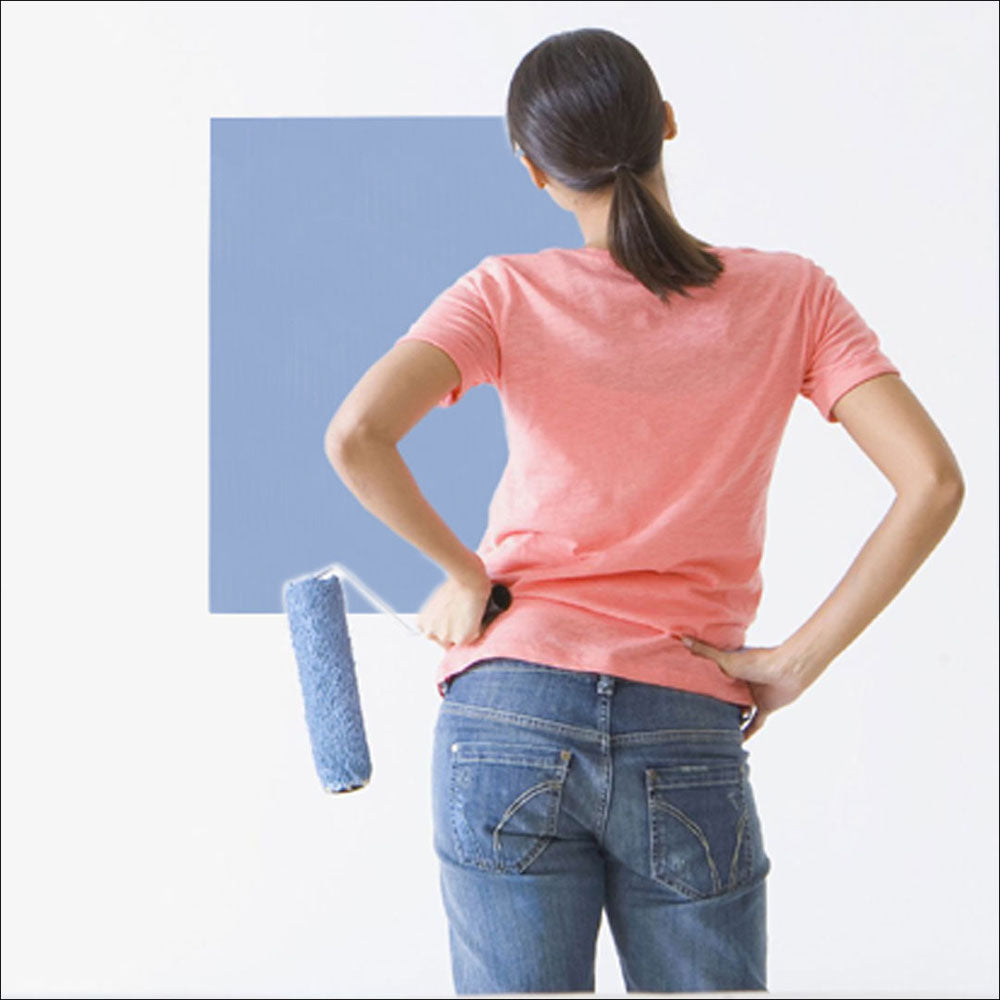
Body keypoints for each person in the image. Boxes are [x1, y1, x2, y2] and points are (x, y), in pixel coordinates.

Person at [324, 27, 965, 996]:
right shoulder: (794, 295)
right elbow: (932, 480)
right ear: (666, 124)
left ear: (533, 172)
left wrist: (467, 575)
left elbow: (355, 433)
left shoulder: (504, 292)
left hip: (507, 709)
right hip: (686, 719)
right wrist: (793, 662)